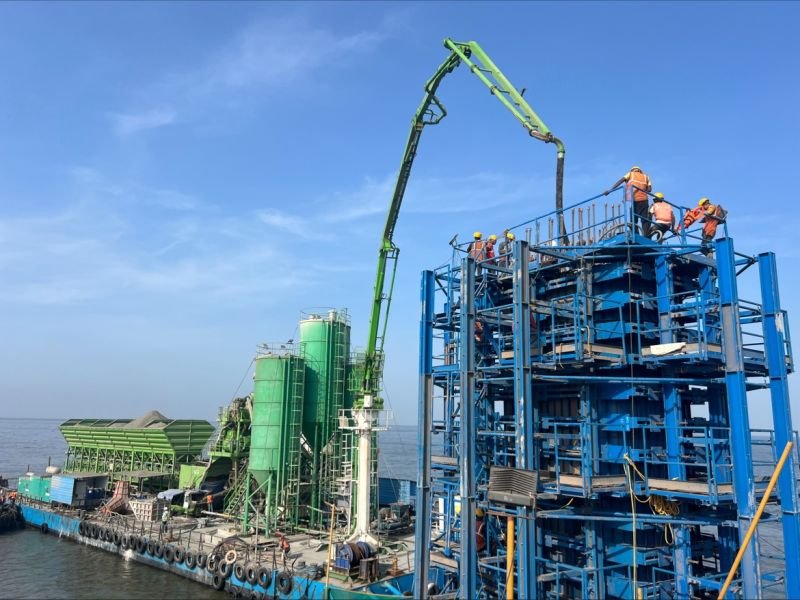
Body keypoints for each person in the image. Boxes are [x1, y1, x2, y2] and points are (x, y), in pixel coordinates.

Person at [606, 166, 652, 236]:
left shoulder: (631, 174)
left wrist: (610, 190)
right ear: (639, 170)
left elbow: (620, 181)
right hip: (644, 199)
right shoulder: (646, 176)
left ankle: (636, 235)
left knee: (633, 220)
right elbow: (649, 189)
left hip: (635, 200)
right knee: (645, 220)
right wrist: (641, 189)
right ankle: (645, 236)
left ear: (633, 170)